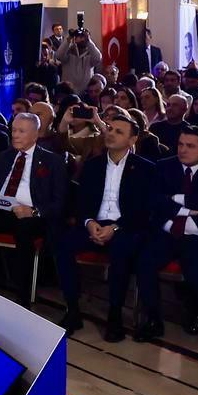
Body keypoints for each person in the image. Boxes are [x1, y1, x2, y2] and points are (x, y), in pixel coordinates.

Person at [52, 109, 152, 341]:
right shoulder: (93, 165)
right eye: (109, 129)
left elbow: (144, 210)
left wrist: (115, 228)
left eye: (119, 132)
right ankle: (72, 309)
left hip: (124, 226)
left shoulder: (145, 168)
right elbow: (81, 202)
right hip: (94, 223)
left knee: (121, 251)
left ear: (132, 140)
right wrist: (89, 223)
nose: (111, 134)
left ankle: (114, 315)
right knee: (63, 246)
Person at [138, 122, 198, 341]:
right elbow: (153, 200)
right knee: (144, 264)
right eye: (180, 144)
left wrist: (174, 199)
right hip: (167, 231)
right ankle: (153, 319)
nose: (183, 150)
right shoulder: (164, 166)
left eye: (190, 146)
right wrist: (190, 206)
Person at [0, 111, 68, 300]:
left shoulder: (53, 161)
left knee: (24, 229)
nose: (15, 135)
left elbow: (60, 203)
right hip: (1, 210)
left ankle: (22, 297)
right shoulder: (3, 157)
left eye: (21, 131)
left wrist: (33, 211)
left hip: (32, 216)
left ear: (35, 134)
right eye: (14, 130)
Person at [59, 23, 102, 92]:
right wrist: (69, 39)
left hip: (86, 91)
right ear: (75, 39)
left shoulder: (91, 53)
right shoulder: (69, 51)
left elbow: (98, 58)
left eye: (84, 37)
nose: (82, 39)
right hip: (68, 91)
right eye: (80, 37)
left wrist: (89, 41)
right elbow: (59, 56)